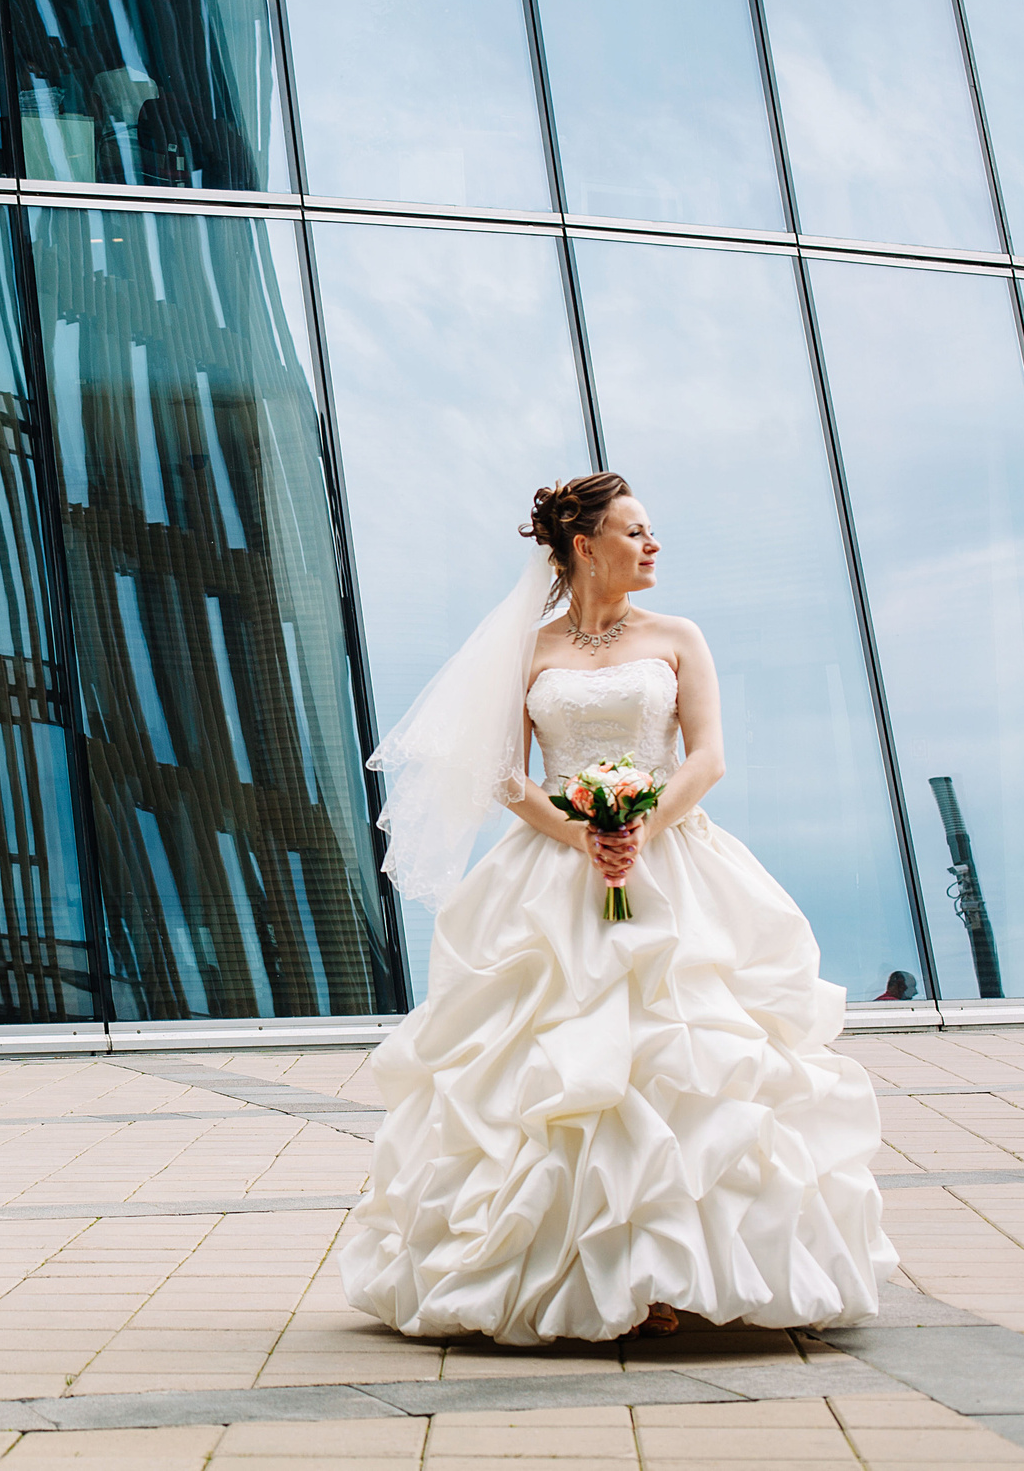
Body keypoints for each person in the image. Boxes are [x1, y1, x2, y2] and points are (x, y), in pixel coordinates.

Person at [341, 474, 895, 1345]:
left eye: (652, 530)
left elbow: (707, 757)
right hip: (554, 870)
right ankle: (563, 1267)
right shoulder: (529, 651)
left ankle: (679, 1269)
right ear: (585, 546)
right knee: (555, 1068)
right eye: (636, 531)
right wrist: (582, 837)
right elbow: (506, 777)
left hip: (671, 860)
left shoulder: (678, 638)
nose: (653, 545)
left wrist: (637, 828)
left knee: (681, 1060)